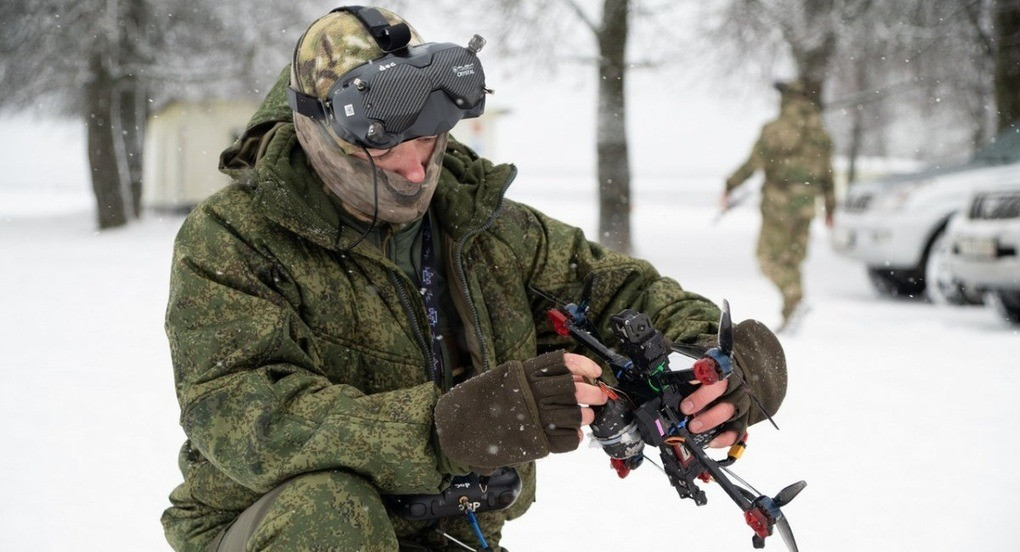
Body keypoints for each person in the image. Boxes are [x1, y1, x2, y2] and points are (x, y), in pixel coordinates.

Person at [161, 6, 788, 552]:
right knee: (333, 511)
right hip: (267, 526)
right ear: (318, 133)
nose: (415, 168)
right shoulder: (232, 238)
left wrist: (726, 360)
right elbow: (242, 414)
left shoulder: (481, 223)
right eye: (384, 148)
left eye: (430, 139)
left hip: (446, 527)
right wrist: (450, 426)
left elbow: (619, 290)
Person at [722, 80, 836, 332]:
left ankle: (794, 299)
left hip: (778, 206)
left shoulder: (774, 129)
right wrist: (831, 208)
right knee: (792, 259)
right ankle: (792, 312)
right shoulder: (822, 136)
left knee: (767, 259)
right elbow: (828, 175)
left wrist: (730, 185)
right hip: (807, 206)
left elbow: (752, 165)